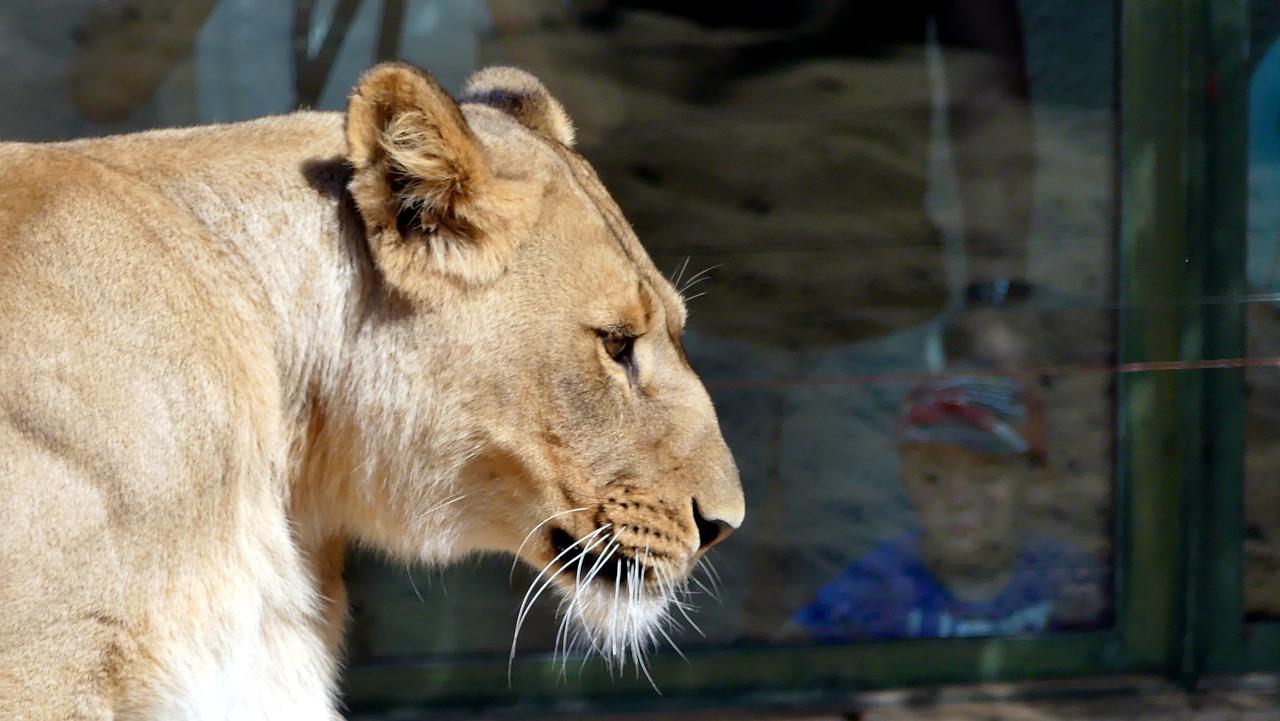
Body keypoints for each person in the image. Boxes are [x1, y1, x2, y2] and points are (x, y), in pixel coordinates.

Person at [787, 376, 1104, 641]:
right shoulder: (878, 586)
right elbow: (792, 659)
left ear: (1037, 483)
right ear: (906, 483)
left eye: (987, 474)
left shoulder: (1065, 576)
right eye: (932, 477)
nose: (958, 499)